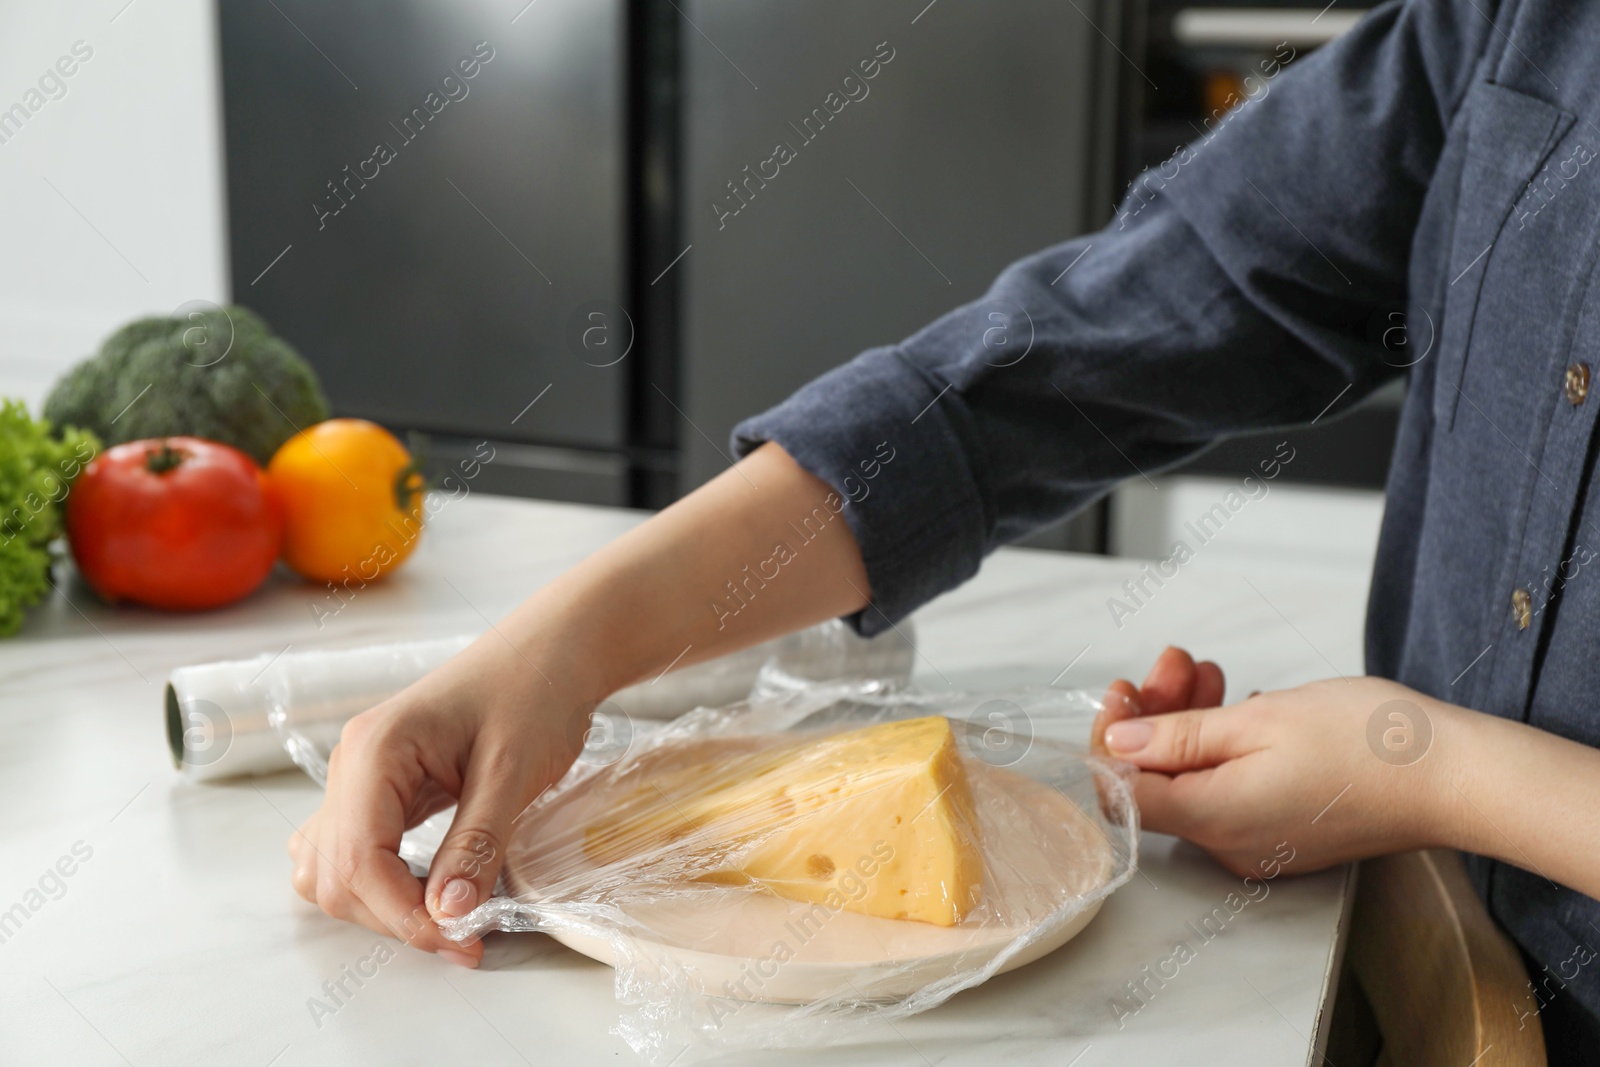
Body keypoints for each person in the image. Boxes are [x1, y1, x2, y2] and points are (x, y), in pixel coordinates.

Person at [287, 0, 1600, 1055]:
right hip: (1413, 968)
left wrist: (1425, 768)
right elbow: (1098, 341)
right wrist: (567, 643)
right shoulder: (1511, 23)